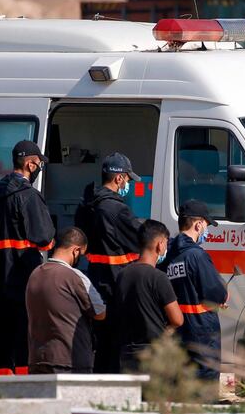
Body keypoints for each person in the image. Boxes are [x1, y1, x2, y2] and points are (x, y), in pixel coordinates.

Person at [0, 140, 55, 374]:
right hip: (23, 281)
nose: (39, 169)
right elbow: (44, 237)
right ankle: (26, 395)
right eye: (38, 164)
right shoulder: (28, 196)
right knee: (25, 342)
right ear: (29, 164)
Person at [74, 152, 142, 373]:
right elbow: (140, 239)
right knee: (116, 344)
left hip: (95, 279)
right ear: (119, 178)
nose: (129, 183)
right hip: (116, 284)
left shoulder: (87, 204)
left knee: (101, 343)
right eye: (128, 179)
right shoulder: (116, 209)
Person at [159, 200, 228, 381]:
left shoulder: (169, 256)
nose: (207, 230)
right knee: (204, 387)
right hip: (202, 333)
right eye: (206, 225)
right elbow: (216, 293)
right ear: (198, 224)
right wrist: (223, 293)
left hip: (178, 332)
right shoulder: (197, 255)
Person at [26, 227, 106, 374]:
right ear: (76, 251)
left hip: (37, 360)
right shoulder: (74, 276)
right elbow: (99, 313)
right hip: (69, 362)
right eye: (81, 254)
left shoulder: (35, 275)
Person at [115, 220, 183, 373]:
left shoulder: (122, 274)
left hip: (127, 352)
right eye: (166, 243)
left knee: (131, 397)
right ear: (159, 244)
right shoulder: (158, 277)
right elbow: (177, 319)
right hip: (153, 354)